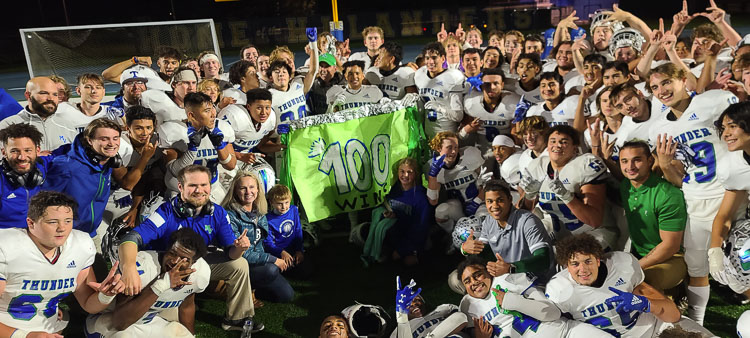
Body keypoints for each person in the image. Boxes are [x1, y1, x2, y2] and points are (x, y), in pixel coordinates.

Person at [117, 164, 262, 332]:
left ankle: (236, 319)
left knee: (240, 264)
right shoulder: (167, 212)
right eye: (193, 185)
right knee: (164, 323)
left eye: (204, 185)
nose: (199, 190)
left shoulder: (218, 213)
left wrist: (239, 248)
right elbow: (131, 237)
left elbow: (231, 254)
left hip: (197, 262)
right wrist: (128, 268)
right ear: (180, 187)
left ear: (210, 186)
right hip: (166, 266)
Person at [647, 62, 738, 325]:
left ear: (683, 79)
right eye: (654, 87)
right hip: (695, 199)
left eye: (666, 82)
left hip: (731, 194)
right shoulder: (658, 129)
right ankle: (696, 324)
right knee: (698, 268)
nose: (661, 90)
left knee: (742, 261)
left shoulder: (715, 101)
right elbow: (678, 179)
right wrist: (664, 165)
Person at [0, 191, 124, 336]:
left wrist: (105, 295)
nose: (62, 228)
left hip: (50, 330)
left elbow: (88, 304)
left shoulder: (80, 246)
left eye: (68, 220)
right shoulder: (7, 248)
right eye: (53, 222)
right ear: (31, 223)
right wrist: (23, 335)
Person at [546, 233, 714, 337]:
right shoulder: (560, 291)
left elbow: (673, 315)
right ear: (566, 266)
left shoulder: (621, 267)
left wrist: (647, 304)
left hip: (654, 328)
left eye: (588, 261)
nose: (582, 269)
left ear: (598, 260)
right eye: (575, 264)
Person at [85, 228, 209, 337]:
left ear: (194, 262)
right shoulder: (142, 267)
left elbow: (187, 306)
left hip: (149, 321)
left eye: (184, 259)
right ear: (166, 250)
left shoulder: (199, 274)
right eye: (172, 253)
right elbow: (120, 322)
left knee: (182, 335)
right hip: (110, 320)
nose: (175, 261)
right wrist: (161, 283)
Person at [520, 125, 617, 249]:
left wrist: (567, 196)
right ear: (547, 146)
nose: (557, 145)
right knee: (523, 243)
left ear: (575, 148)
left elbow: (594, 220)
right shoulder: (537, 166)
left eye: (564, 142)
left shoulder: (585, 165)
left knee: (579, 259)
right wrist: (529, 195)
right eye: (553, 141)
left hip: (592, 232)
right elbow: (522, 214)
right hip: (558, 232)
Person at [457, 256, 602, 337]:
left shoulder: (508, 279)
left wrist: (512, 301)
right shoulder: (467, 307)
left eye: (477, 275)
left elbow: (552, 312)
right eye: (467, 281)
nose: (474, 282)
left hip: (564, 333)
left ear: (489, 272)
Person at [452, 181, 554, 293]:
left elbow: (544, 260)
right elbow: (482, 255)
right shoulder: (489, 221)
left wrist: (512, 268)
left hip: (534, 280)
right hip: (505, 275)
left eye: (500, 200)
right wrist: (466, 249)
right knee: (454, 279)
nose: (494, 206)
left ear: (510, 199)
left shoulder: (527, 221)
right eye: (489, 201)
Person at [619, 141, 688, 293]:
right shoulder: (626, 186)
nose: (630, 167)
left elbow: (671, 246)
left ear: (650, 161)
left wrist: (636, 266)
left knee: (644, 280)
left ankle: (676, 294)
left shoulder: (667, 194)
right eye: (624, 161)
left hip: (674, 257)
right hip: (640, 253)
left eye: (637, 160)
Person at [43, 118, 122, 240]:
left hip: (90, 233)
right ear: (90, 140)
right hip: (65, 236)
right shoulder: (68, 166)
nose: (112, 143)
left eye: (115, 138)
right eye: (104, 139)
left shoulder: (107, 162)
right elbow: (41, 201)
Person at [223, 171, 294, 303]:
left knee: (287, 296)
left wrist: (279, 255)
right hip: (240, 264)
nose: (248, 191)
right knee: (272, 269)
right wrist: (272, 259)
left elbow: (262, 243)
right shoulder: (229, 215)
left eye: (251, 187)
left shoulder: (259, 211)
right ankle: (242, 290)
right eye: (242, 188)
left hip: (258, 262)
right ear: (235, 191)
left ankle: (252, 288)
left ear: (257, 189)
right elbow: (240, 253)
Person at [159, 92, 236, 200]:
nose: (213, 114)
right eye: (207, 111)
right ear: (191, 115)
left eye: (213, 108)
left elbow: (231, 165)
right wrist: (192, 149)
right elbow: (176, 171)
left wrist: (219, 146)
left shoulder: (222, 127)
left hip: (211, 190)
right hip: (181, 194)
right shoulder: (174, 131)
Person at [709, 101, 750, 304]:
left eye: (732, 126)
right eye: (723, 128)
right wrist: (714, 250)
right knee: (737, 263)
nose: (725, 134)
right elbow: (724, 216)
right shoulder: (734, 167)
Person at [363, 158, 430, 266]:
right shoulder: (392, 189)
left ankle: (415, 251)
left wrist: (403, 249)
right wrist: (387, 213)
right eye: (402, 171)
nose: (405, 175)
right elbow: (382, 205)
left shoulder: (420, 196)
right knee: (366, 231)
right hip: (393, 231)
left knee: (407, 262)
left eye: (409, 172)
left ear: (416, 174)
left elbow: (420, 227)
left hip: (410, 234)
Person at [107, 105, 164, 229]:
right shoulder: (118, 145)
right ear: (127, 128)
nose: (145, 133)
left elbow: (142, 180)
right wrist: (145, 158)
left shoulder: (157, 141)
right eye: (138, 128)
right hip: (108, 197)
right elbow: (127, 184)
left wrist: (135, 208)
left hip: (135, 196)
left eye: (149, 128)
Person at [426, 132, 483, 237]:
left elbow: (489, 182)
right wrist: (432, 176)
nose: (454, 151)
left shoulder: (470, 155)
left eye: (456, 147)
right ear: (439, 148)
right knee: (441, 211)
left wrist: (477, 201)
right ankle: (453, 235)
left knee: (483, 217)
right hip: (458, 207)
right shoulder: (433, 166)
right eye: (449, 147)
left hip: (479, 202)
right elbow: (433, 201)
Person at [0, 77, 76, 152]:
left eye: (55, 94)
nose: (50, 98)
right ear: (28, 95)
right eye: (43, 93)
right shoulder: (7, 125)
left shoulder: (68, 127)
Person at [0, 124, 53, 228]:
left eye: (28, 150)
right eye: (14, 151)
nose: (22, 157)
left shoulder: (43, 165)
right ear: (4, 152)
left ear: (37, 151)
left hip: (37, 234)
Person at [460, 67, 520, 153]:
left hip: (505, 147)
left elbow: (516, 135)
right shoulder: (471, 102)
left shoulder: (513, 102)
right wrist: (466, 129)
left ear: (502, 85)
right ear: (481, 85)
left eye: (496, 83)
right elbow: (462, 134)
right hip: (481, 147)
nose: (491, 87)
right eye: (487, 84)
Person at [414, 42, 466, 140]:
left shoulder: (453, 77)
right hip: (428, 133)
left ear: (443, 58)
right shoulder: (419, 74)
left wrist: (439, 108)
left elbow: (458, 116)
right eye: (427, 58)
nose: (430, 62)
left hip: (447, 133)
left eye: (434, 57)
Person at [268, 29, 319, 125]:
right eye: (284, 60)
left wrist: (313, 43)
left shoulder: (298, 81)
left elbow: (313, 70)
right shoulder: (269, 95)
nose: (290, 62)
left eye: (290, 59)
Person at [219, 88, 280, 163]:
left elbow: (261, 145)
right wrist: (240, 156)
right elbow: (216, 147)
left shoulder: (271, 118)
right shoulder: (234, 116)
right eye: (259, 108)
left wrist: (282, 146)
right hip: (224, 162)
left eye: (267, 108)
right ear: (248, 106)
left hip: (247, 161)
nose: (264, 112)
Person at [391, 277, 467, 338]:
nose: (414, 304)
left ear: (423, 302)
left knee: (460, 316)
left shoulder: (443, 308)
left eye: (417, 300)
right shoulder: (398, 331)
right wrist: (401, 316)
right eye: (409, 304)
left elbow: (462, 320)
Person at [264, 184, 311, 278]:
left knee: (308, 270)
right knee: (277, 272)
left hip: (293, 250)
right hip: (278, 253)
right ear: (271, 202)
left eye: (286, 202)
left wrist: (299, 250)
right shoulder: (267, 219)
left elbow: (298, 231)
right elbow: (268, 243)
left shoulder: (293, 210)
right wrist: (281, 252)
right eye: (279, 203)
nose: (284, 207)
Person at [56, 73, 124, 134]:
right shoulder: (63, 109)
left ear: (103, 92)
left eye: (98, 87)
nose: (94, 91)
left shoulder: (113, 114)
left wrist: (123, 118)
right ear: (78, 91)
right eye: (88, 87)